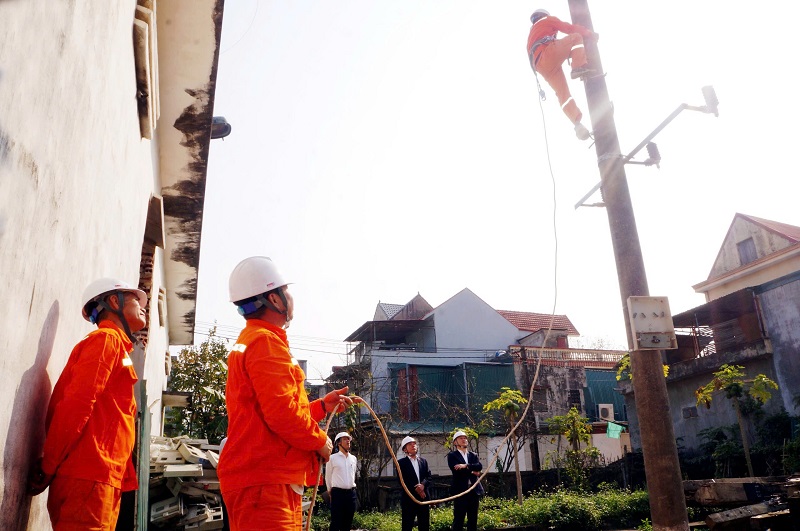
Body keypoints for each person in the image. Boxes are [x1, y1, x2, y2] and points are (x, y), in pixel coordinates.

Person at [217, 256, 360, 531]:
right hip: (265, 482)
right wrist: (320, 440)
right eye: (287, 291)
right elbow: (282, 414)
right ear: (274, 299)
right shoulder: (265, 342)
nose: (291, 298)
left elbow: (273, 408)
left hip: (266, 479)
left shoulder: (256, 339)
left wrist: (321, 407)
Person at [27, 277, 148, 530]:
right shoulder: (106, 341)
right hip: (89, 480)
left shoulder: (116, 347)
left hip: (98, 480)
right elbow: (76, 406)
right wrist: (49, 465)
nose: (143, 305)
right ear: (114, 301)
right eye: (137, 299)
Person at [527, 8, 598, 140]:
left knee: (563, 94)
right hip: (548, 54)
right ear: (544, 15)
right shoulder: (548, 20)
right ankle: (578, 68)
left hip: (541, 66)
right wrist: (589, 33)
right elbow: (569, 28)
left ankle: (577, 123)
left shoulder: (532, 33)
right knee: (576, 37)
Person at [447, 430, 483, 531]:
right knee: (459, 518)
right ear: (455, 442)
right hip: (460, 491)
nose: (464, 440)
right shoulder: (452, 455)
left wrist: (465, 466)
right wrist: (472, 471)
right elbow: (457, 471)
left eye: (465, 438)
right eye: (461, 438)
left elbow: (479, 466)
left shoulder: (473, 455)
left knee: (473, 519)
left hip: (474, 491)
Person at [395, 436, 433, 531]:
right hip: (409, 498)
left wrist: (423, 485)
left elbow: (429, 477)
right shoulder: (400, 463)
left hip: (424, 498)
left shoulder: (423, 461)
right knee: (407, 524)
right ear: (405, 449)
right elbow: (403, 481)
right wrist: (418, 490)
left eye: (414, 444)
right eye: (410, 444)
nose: (413, 446)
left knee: (424, 524)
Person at [325, 432, 358, 531]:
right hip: (337, 493)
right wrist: (330, 492)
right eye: (345, 439)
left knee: (348, 522)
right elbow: (328, 476)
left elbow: (353, 475)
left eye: (348, 439)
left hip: (351, 494)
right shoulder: (332, 458)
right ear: (338, 443)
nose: (348, 441)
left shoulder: (353, 459)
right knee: (336, 522)